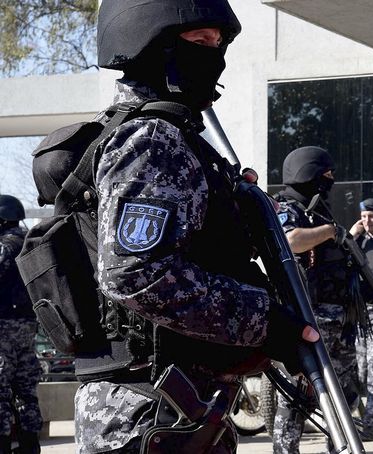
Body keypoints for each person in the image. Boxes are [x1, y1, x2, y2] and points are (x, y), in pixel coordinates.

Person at [69, 1, 318, 453]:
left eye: (219, 43)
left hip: (176, 403)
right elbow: (136, 274)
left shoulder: (174, 137)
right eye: (201, 41)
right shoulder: (152, 139)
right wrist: (265, 320)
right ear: (151, 43)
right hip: (149, 407)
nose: (215, 53)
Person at [273, 146, 363, 453]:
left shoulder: (319, 208)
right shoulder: (288, 207)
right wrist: (327, 232)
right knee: (299, 394)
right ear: (307, 174)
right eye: (326, 174)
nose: (332, 180)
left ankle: (338, 446)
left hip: (339, 317)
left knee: (345, 388)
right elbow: (290, 241)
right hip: (308, 317)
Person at [0, 195, 42, 454]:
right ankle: (30, 443)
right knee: (26, 387)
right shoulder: (31, 244)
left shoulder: (5, 246)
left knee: (1, 388)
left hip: (3, 326)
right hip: (28, 325)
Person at [349, 198, 373, 441]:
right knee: (360, 370)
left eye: (372, 216)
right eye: (363, 216)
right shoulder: (358, 242)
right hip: (359, 315)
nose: (367, 220)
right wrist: (352, 235)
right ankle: (363, 417)